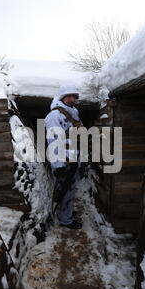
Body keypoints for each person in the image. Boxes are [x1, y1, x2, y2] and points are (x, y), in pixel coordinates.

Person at [45, 84, 83, 230]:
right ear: (62, 97)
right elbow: (54, 141)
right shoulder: (55, 116)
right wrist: (58, 165)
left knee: (70, 190)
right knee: (65, 190)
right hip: (64, 161)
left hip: (73, 159)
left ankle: (66, 212)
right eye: (69, 96)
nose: (72, 99)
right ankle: (65, 220)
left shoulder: (73, 113)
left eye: (75, 96)